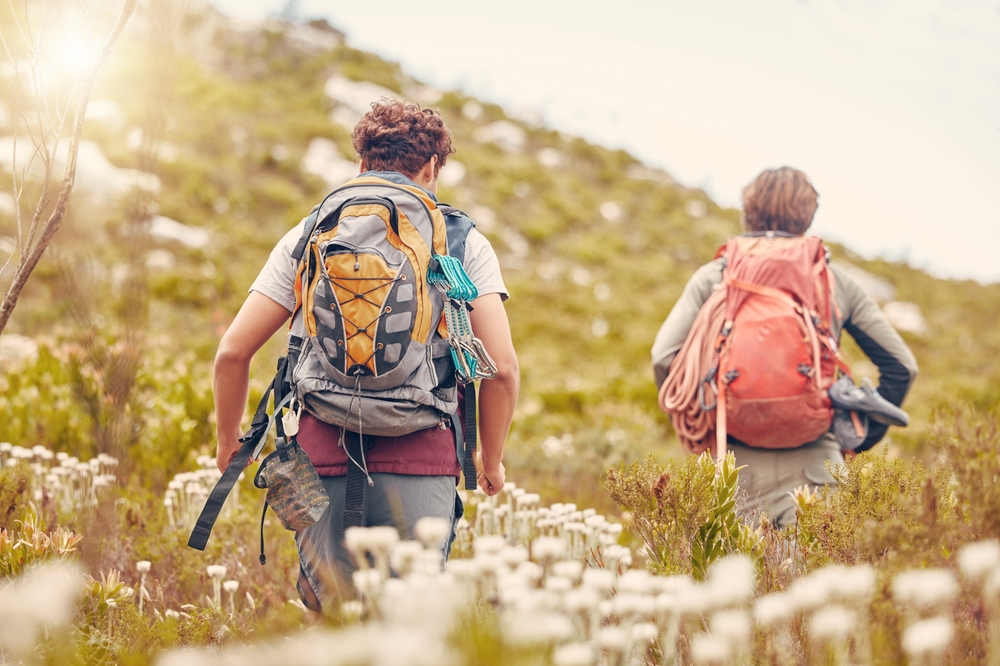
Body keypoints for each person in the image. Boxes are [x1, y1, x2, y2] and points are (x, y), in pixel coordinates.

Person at [213, 99, 519, 610]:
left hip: (322, 453)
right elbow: (502, 369)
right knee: (406, 626)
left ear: (361, 163)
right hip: (423, 457)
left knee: (330, 620)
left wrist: (229, 443)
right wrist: (489, 457)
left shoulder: (311, 231)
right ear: (431, 169)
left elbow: (232, 353)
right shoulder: (462, 241)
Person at [651, 166, 917, 527]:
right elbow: (902, 366)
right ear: (808, 217)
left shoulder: (717, 276)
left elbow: (664, 357)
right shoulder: (833, 281)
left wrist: (703, 429)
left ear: (748, 212)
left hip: (733, 466)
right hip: (817, 465)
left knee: (737, 581)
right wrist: (856, 438)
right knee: (817, 580)